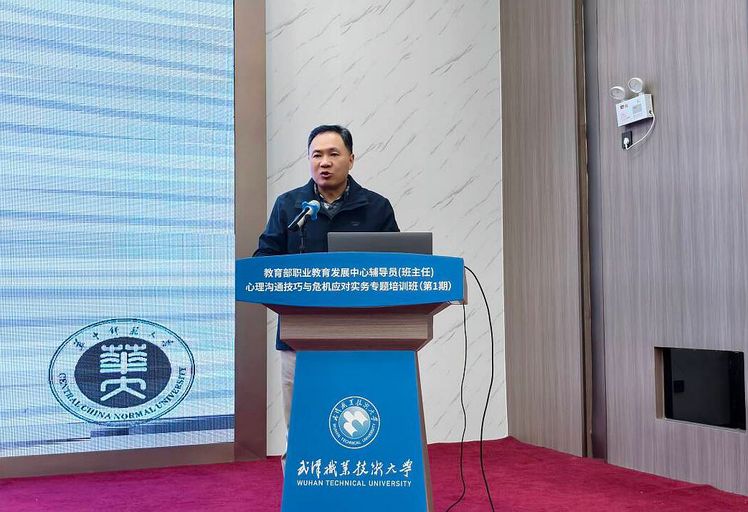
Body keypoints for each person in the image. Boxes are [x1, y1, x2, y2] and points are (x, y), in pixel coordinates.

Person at [253, 124, 399, 462]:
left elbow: (397, 265)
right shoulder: (290, 207)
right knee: (302, 427)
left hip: (361, 336)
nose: (324, 162)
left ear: (351, 159)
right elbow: (263, 262)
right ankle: (301, 486)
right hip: (298, 336)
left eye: (333, 154)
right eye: (316, 155)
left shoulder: (376, 207)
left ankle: (358, 481)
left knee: (360, 421)